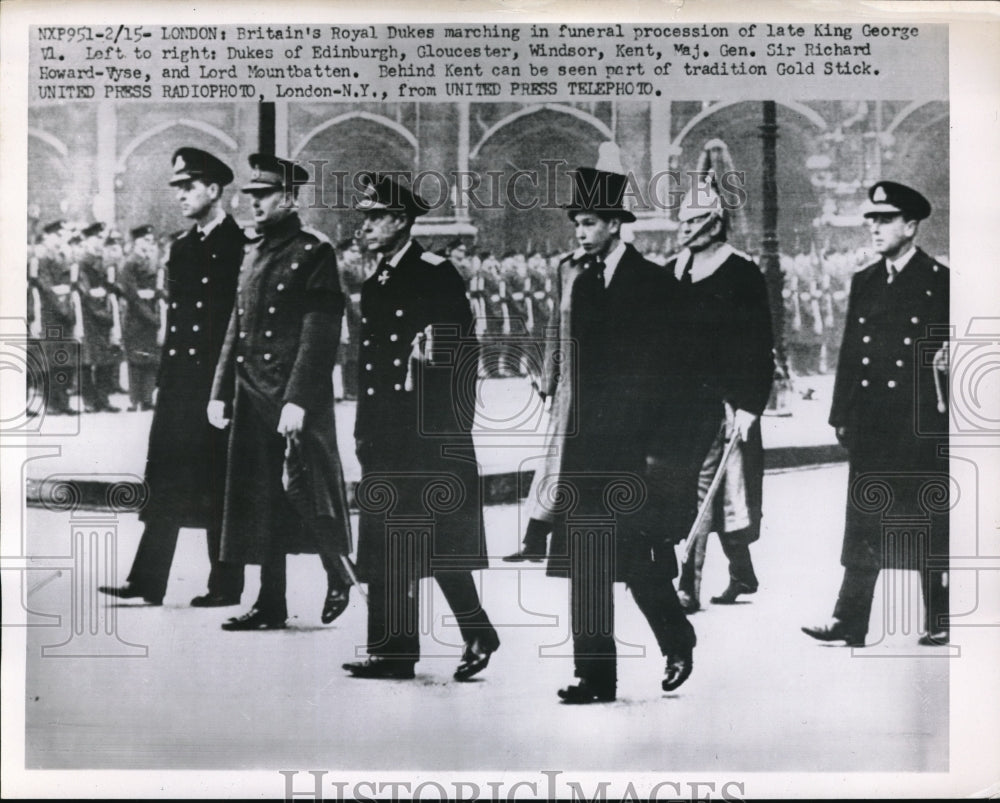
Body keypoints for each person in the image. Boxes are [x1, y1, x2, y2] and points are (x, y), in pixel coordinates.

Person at [531, 150, 696, 704]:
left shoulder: (653, 283)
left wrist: (662, 454)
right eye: (577, 224)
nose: (581, 233)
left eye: (591, 223)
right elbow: (564, 344)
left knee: (637, 560)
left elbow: (675, 377)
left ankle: (677, 640)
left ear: (617, 224)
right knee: (586, 564)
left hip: (633, 451)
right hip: (584, 447)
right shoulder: (573, 276)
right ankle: (594, 677)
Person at [343, 173, 499, 681]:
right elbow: (368, 368)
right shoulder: (374, 282)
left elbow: (460, 356)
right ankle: (391, 651)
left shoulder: (435, 272)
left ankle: (476, 630)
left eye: (375, 217)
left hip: (426, 435)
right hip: (385, 434)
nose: (365, 226)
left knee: (436, 539)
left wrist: (449, 430)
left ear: (402, 221)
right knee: (387, 539)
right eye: (365, 217)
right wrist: (365, 432)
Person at [209, 154, 353, 631]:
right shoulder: (252, 251)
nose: (253, 204)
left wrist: (298, 399)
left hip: (291, 395)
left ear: (289, 199)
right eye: (250, 196)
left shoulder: (315, 251)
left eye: (264, 196)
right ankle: (269, 602)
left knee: (308, 491)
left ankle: (339, 572)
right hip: (252, 393)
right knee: (260, 498)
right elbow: (237, 322)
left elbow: (320, 332)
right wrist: (220, 391)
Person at [803, 181, 949, 647]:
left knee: (926, 516)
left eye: (884, 220)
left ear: (911, 225)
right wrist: (840, 414)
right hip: (872, 421)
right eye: (871, 220)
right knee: (865, 518)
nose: (874, 228)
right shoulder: (864, 279)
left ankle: (939, 615)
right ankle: (850, 620)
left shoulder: (939, 281)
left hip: (919, 420)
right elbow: (850, 353)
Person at [99, 148, 246, 608]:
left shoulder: (239, 245)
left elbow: (238, 323)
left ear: (214, 190)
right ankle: (147, 580)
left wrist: (226, 388)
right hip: (181, 380)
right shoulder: (181, 248)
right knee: (165, 476)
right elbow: (178, 319)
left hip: (216, 382)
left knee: (218, 479)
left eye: (189, 187)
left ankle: (225, 585)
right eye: (178, 188)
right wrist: (166, 379)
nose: (181, 196)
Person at [668, 177, 775, 613]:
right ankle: (742, 572)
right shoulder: (672, 270)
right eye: (683, 222)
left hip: (723, 402)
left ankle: (687, 587)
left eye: (695, 221)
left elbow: (759, 343)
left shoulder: (742, 272)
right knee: (715, 491)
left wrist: (751, 404)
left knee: (707, 488)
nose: (686, 230)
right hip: (679, 400)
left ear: (715, 223)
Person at [76, 222, 122, 413]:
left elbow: (112, 287)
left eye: (101, 238)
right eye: (95, 238)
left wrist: (107, 296)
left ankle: (103, 399)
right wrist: (101, 304)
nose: (99, 242)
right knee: (88, 360)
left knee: (105, 358)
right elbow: (84, 291)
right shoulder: (82, 262)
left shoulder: (104, 261)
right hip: (89, 315)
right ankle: (89, 400)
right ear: (87, 240)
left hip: (103, 313)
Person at [118, 225, 160, 411]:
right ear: (136, 242)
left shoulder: (150, 261)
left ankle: (147, 398)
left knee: (150, 358)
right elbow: (132, 295)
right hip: (136, 318)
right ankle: (135, 400)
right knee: (136, 360)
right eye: (145, 240)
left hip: (150, 313)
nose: (148, 244)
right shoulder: (130, 263)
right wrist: (152, 317)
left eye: (150, 241)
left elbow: (158, 288)